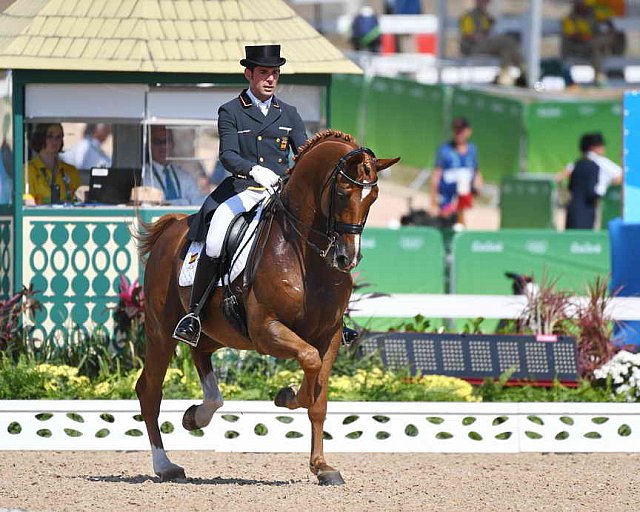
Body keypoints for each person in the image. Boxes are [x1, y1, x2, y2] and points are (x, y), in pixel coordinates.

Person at [558, 132, 622, 230]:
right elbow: (620, 176)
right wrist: (606, 186)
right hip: (592, 203)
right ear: (593, 147)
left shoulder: (577, 162)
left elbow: (561, 177)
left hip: (574, 206)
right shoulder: (602, 162)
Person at [430, 117, 483, 227]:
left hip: (464, 199)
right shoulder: (444, 149)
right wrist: (433, 202)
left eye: (461, 130)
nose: (458, 133)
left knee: (461, 224)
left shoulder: (472, 150)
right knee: (445, 223)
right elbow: (436, 176)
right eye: (456, 129)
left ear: (468, 131)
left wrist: (478, 186)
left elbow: (476, 172)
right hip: (447, 197)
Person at [459, 0, 523, 86]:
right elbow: (469, 34)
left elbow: (492, 30)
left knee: (506, 49)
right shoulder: (469, 16)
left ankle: (504, 77)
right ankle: (523, 70)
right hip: (473, 47)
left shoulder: (486, 17)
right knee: (507, 42)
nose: (486, 3)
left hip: (485, 44)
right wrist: (488, 38)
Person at [561, 0, 622, 85]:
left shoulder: (593, 14)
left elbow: (609, 23)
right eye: (581, 4)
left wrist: (608, 30)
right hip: (578, 49)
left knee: (600, 47)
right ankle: (601, 77)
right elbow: (575, 37)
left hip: (593, 48)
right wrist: (590, 38)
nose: (585, 6)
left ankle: (604, 76)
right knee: (595, 46)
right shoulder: (569, 19)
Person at [146, 125, 204, 206]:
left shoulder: (183, 175)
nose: (163, 147)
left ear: (173, 144)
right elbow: (155, 204)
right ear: (149, 146)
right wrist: (185, 202)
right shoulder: (145, 175)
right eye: (157, 142)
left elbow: (198, 202)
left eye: (166, 141)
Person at [26, 123, 81, 205]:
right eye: (50, 136)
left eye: (58, 137)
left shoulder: (71, 170)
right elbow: (26, 201)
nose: (55, 141)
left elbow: (79, 199)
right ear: (40, 138)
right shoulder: (27, 170)